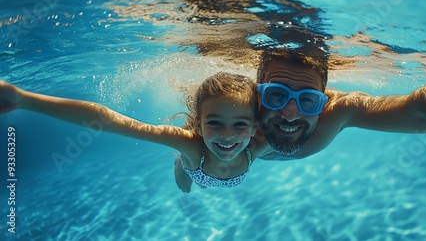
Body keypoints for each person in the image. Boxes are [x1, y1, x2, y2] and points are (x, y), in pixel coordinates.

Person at [0, 72, 269, 189]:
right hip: (193, 168)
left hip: (212, 171)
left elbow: (307, 124)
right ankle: (178, 166)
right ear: (198, 123)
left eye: (240, 125)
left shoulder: (257, 145)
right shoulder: (191, 145)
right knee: (187, 185)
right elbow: (108, 119)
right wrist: (25, 99)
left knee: (202, 185)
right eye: (215, 122)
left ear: (255, 127)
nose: (227, 134)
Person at [256, 48, 426, 160]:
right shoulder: (227, 109)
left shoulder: (336, 113)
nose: (290, 113)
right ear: (256, 92)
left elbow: (424, 109)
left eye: (309, 99)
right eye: (276, 95)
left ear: (324, 98)